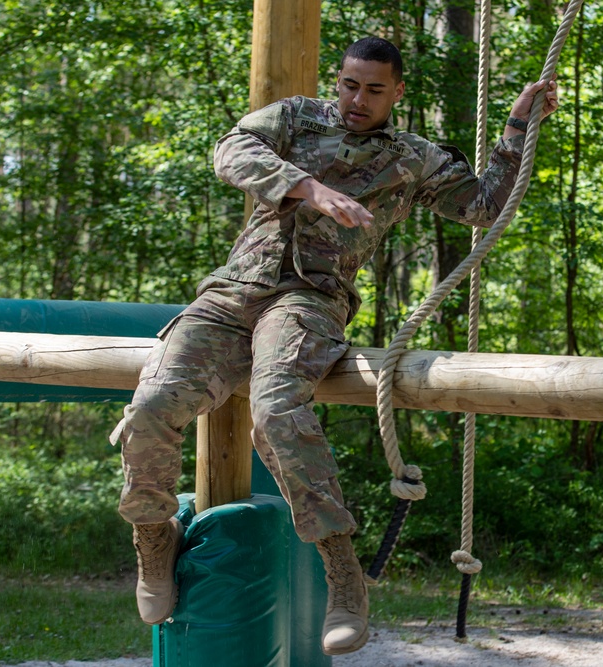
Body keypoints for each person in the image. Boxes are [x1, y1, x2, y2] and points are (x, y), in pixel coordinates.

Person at [110, 36, 559, 656]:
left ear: (397, 92)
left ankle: (343, 574)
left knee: (277, 413)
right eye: (350, 84)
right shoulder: (296, 118)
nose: (358, 99)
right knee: (151, 407)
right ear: (338, 80)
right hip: (233, 292)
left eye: (375, 89)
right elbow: (230, 148)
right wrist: (305, 187)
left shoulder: (411, 157)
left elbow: (484, 206)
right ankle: (154, 536)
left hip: (310, 299)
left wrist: (516, 127)